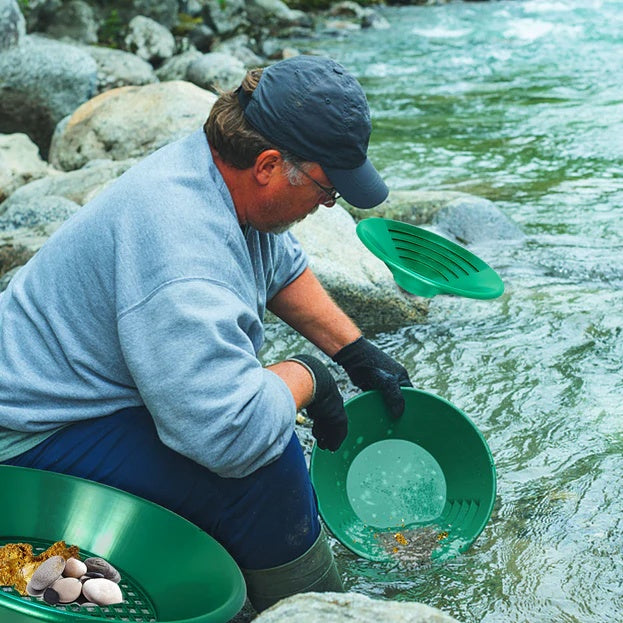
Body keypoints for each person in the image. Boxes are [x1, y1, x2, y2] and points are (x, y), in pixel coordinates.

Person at [0, 55, 412, 611]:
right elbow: (229, 436)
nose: (327, 202)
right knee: (272, 465)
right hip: (28, 441)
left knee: (265, 420)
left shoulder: (217, 170)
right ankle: (316, 607)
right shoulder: (182, 251)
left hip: (72, 392)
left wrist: (352, 349)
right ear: (268, 164)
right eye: (326, 187)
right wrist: (307, 376)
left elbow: (280, 263)